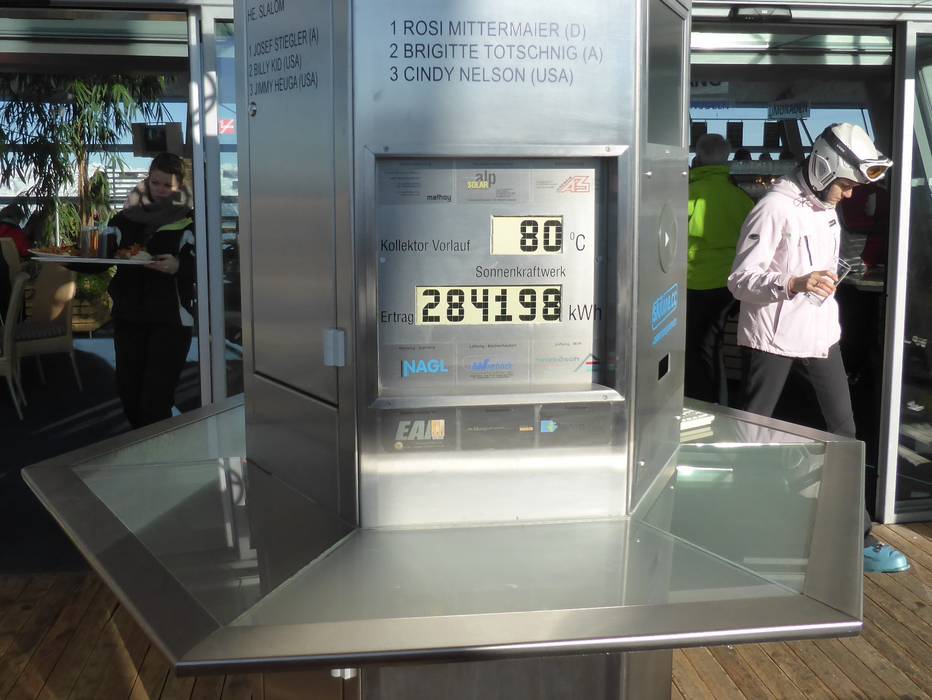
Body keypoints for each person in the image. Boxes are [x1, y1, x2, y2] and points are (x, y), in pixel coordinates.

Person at [727, 122, 908, 573]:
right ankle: (737, 530)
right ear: (826, 168)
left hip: (821, 336)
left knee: (844, 434)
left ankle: (856, 535)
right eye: (846, 184)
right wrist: (793, 282)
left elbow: (818, 267)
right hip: (771, 340)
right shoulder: (773, 207)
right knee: (753, 438)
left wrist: (822, 281)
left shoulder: (826, 207)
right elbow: (739, 281)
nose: (849, 194)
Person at [107, 152, 196, 428]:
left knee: (156, 399)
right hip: (129, 315)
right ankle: (144, 444)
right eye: (155, 182)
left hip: (171, 319)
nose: (160, 190)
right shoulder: (123, 219)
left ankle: (158, 450)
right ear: (147, 179)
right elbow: (100, 257)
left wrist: (179, 265)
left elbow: (208, 263)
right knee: (129, 394)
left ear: (179, 186)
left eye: (167, 185)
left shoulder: (192, 221)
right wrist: (69, 258)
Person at [686, 133, 754, 404]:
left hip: (694, 283)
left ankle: (705, 403)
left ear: (697, 157)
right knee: (713, 346)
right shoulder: (741, 197)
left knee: (698, 350)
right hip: (728, 286)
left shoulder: (688, 193)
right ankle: (718, 402)